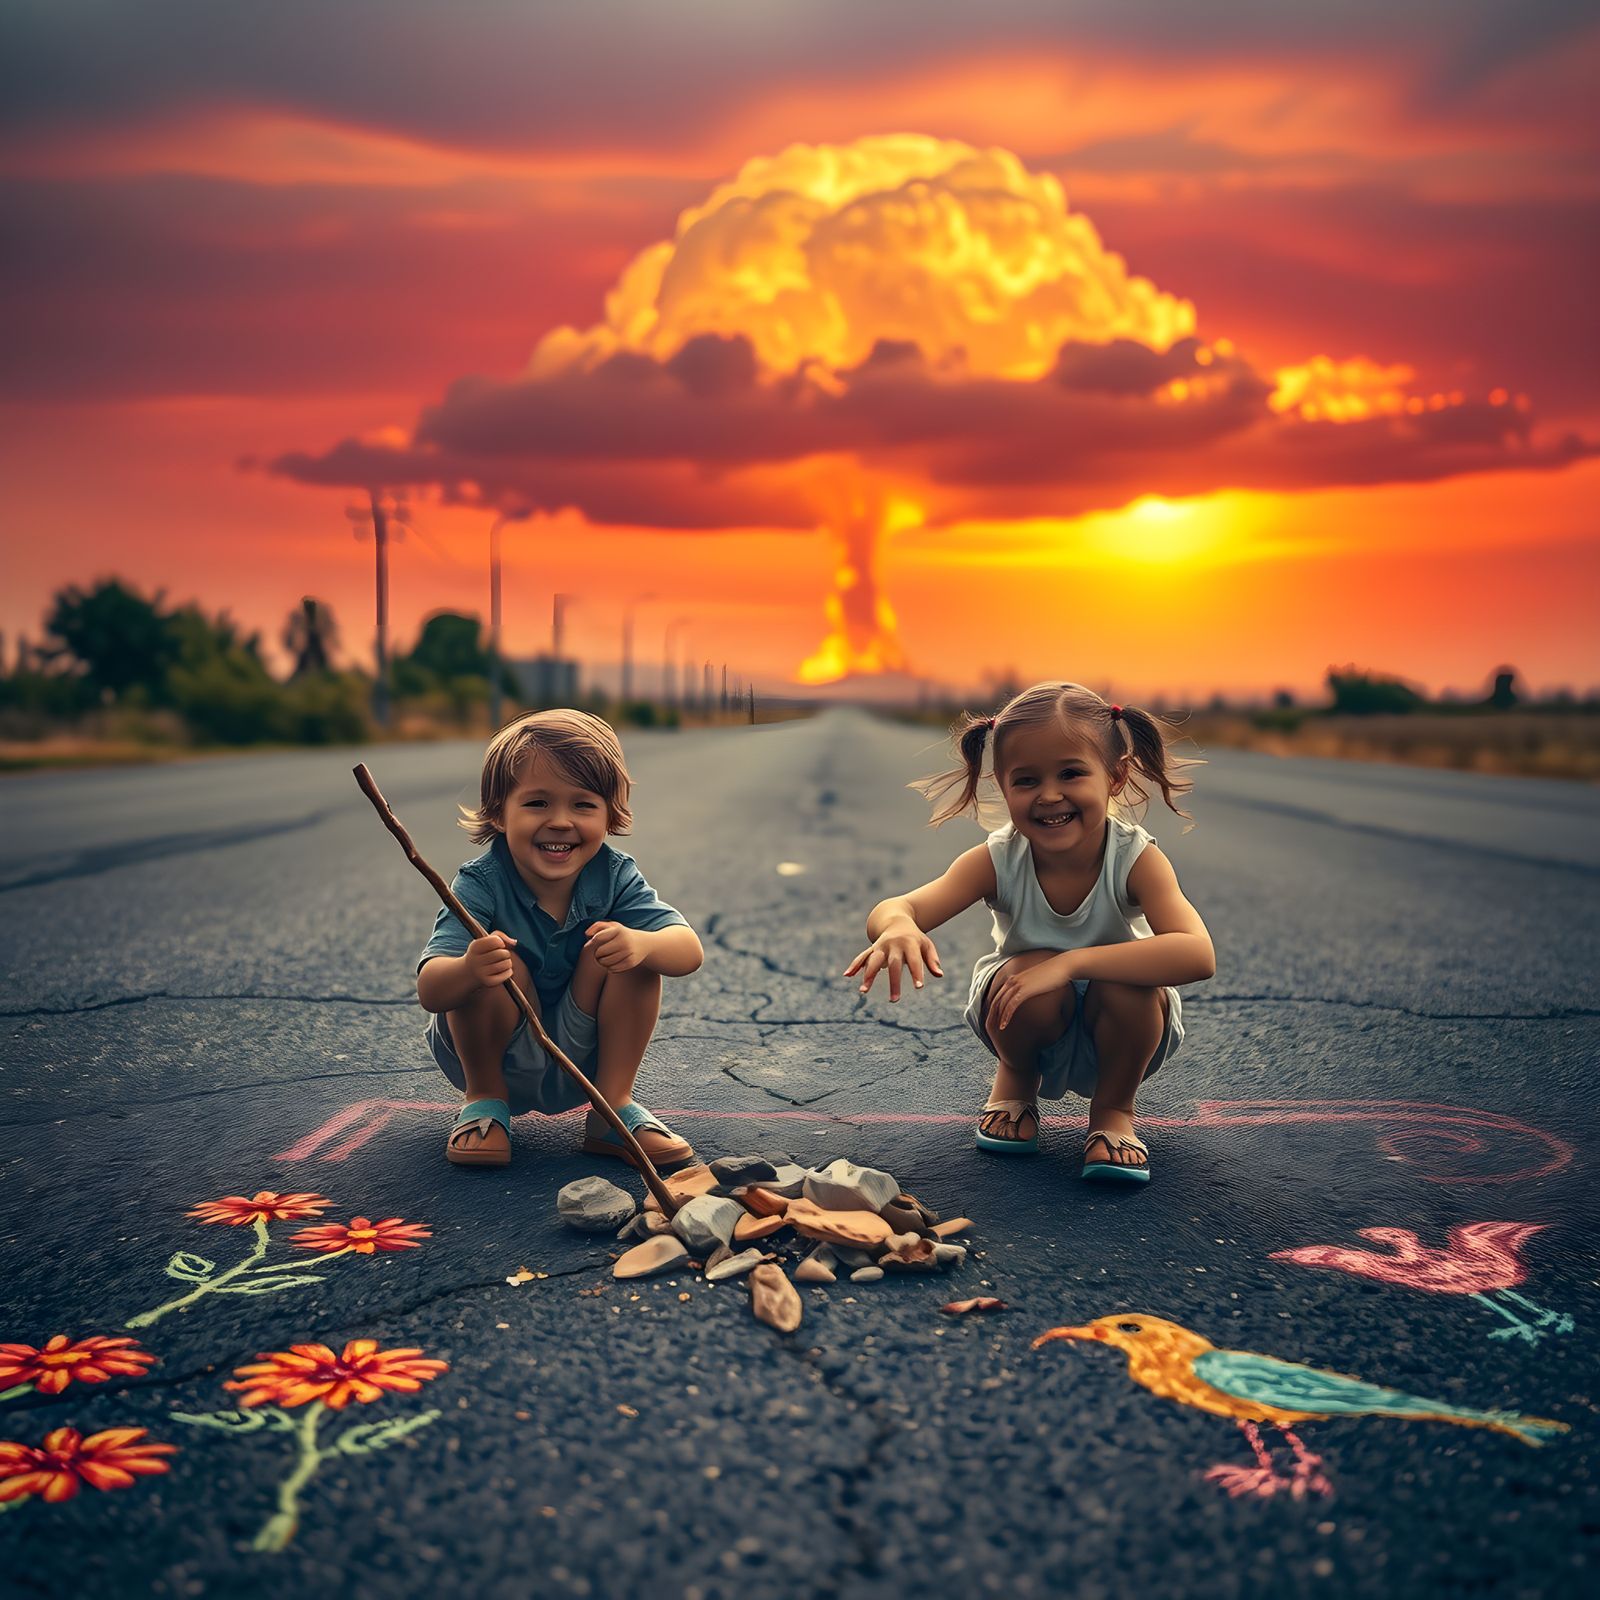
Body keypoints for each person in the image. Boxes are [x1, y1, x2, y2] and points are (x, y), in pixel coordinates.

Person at [845, 682, 1214, 1183]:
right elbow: (900, 906)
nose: (1049, 795)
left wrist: (1070, 964)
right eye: (1026, 780)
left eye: (1071, 773)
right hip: (1022, 1011)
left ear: (1116, 776)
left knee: (1128, 983)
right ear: (1002, 787)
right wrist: (897, 928)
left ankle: (1114, 1111)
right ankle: (1015, 1083)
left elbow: (1198, 954)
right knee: (1030, 972)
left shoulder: (1136, 858)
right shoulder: (998, 858)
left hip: (1124, 1026)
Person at [417, 709, 703, 1169]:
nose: (560, 822)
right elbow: (431, 990)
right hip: (496, 1052)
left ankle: (612, 1109)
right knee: (495, 959)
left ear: (610, 815)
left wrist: (642, 945)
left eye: (583, 805)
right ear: (499, 814)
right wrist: (469, 968)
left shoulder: (614, 875)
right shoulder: (480, 882)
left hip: (584, 1055)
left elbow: (688, 951)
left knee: (627, 953)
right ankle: (484, 1102)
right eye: (537, 803)